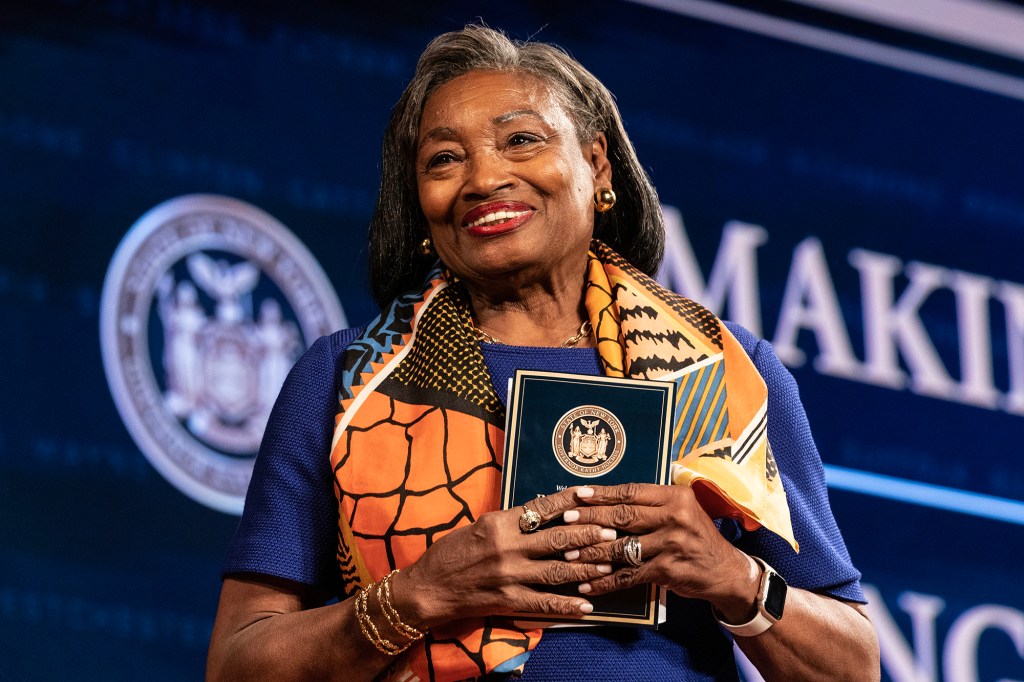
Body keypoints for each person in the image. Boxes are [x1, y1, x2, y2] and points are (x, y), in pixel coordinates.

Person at [207, 25, 879, 681]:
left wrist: (730, 575)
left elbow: (853, 667)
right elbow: (238, 663)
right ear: (421, 203)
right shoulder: (345, 379)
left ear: (596, 164)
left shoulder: (729, 371)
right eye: (444, 159)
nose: (482, 178)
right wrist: (421, 594)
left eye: (521, 140)